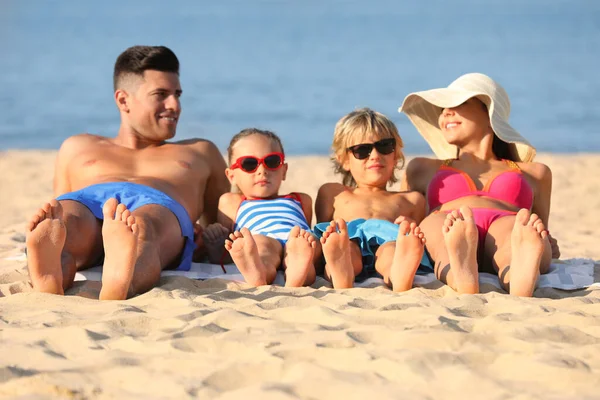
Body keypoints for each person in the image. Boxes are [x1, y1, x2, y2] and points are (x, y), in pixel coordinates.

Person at [25, 45, 230, 300]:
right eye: (161, 94)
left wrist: (212, 241)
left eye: (177, 94)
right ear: (123, 100)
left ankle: (122, 279)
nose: (175, 105)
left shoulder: (201, 151)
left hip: (159, 203)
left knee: (143, 229)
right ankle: (53, 275)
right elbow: (61, 204)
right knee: (67, 224)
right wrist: (57, 229)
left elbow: (222, 225)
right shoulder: (77, 146)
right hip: (87, 200)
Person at [399, 72, 554, 297]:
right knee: (441, 237)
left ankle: (520, 276)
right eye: (443, 108)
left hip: (507, 222)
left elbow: (542, 226)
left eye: (458, 103)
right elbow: (409, 217)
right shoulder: (421, 168)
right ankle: (461, 274)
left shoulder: (535, 172)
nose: (445, 113)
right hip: (448, 222)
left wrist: (545, 240)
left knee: (515, 238)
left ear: (490, 114)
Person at [314, 108, 430, 291]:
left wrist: (408, 226)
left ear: (396, 154)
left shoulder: (412, 200)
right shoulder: (333, 193)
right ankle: (341, 272)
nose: (375, 155)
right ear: (344, 160)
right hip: (349, 241)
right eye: (362, 150)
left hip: (389, 240)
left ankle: (399, 275)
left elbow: (417, 234)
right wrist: (333, 239)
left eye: (384, 146)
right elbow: (325, 232)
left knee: (391, 251)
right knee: (344, 249)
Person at [201, 128, 320, 287]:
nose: (262, 171)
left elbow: (304, 227)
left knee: (305, 246)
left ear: (284, 171)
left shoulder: (301, 199)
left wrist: (302, 243)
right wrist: (216, 245)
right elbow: (229, 247)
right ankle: (258, 272)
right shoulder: (232, 202)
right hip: (261, 237)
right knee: (262, 248)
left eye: (272, 162)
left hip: (296, 239)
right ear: (232, 176)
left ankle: (298, 274)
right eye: (249, 164)